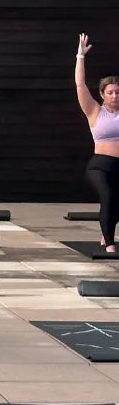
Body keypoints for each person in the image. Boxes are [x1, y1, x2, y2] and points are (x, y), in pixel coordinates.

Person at [75, 33, 119, 253]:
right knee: (107, 196)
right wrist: (80, 57)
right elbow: (80, 84)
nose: (114, 96)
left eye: (118, 92)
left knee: (116, 203)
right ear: (102, 94)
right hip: (100, 166)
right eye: (110, 92)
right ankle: (110, 243)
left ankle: (106, 231)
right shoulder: (95, 111)